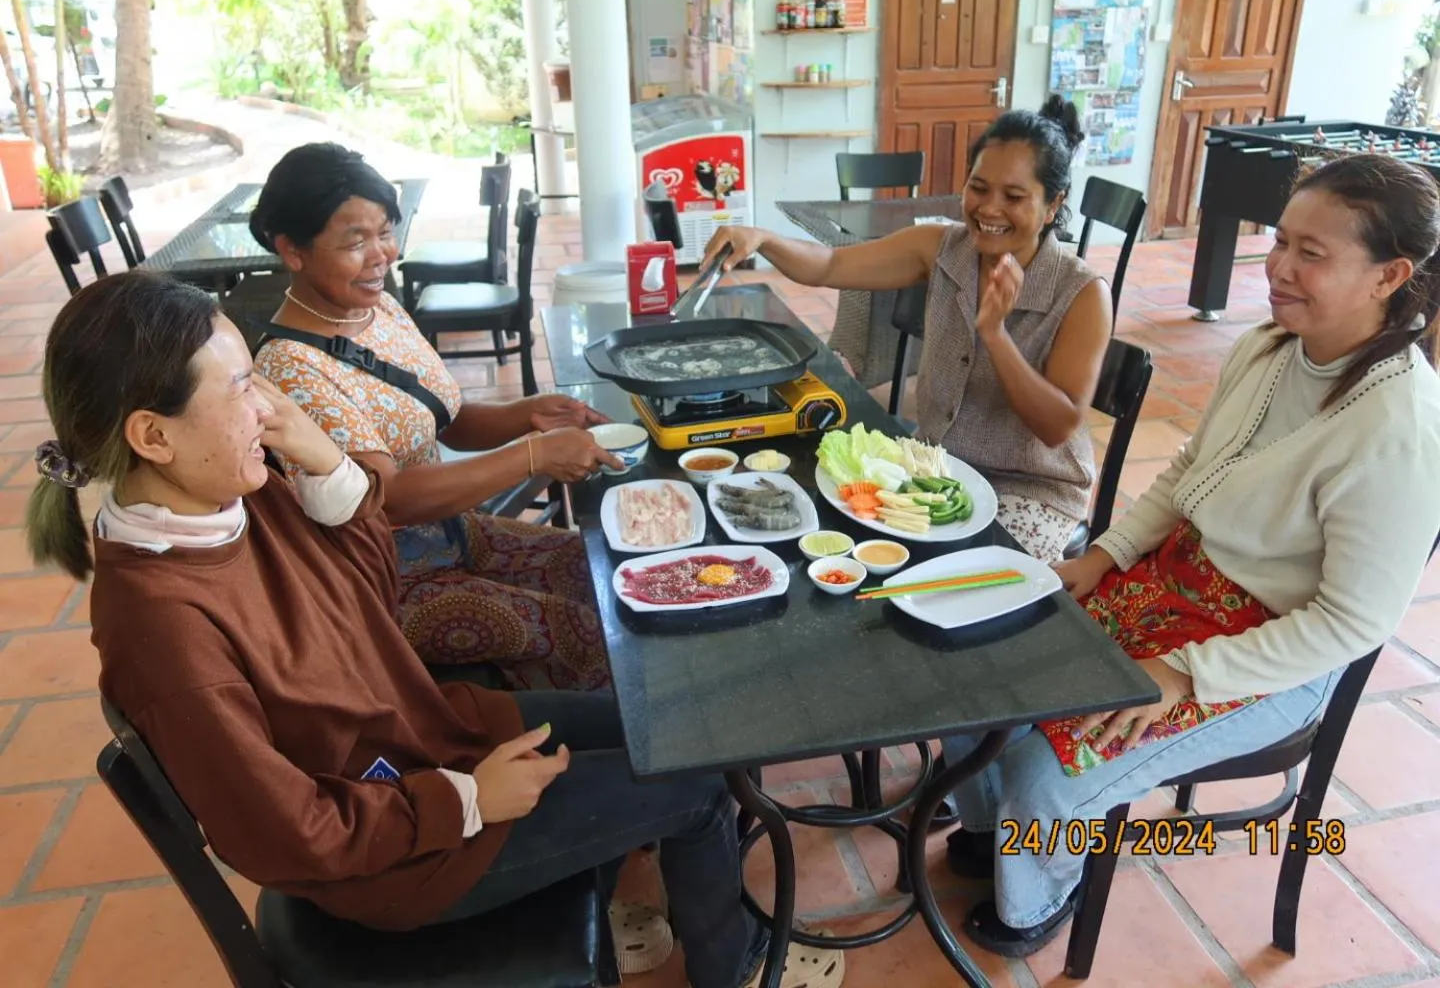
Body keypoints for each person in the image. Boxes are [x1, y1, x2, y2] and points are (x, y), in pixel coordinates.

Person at [24, 271, 845, 988]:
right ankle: (729, 966)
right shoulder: (162, 631)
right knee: (695, 784)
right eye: (240, 387)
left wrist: (326, 464)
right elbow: (285, 836)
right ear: (153, 435)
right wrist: (464, 801)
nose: (267, 405)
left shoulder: (228, 495)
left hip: (431, 738)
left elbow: (368, 592)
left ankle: (630, 892)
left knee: (675, 719)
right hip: (402, 855)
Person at [936, 152, 1440, 957]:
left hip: (1266, 654)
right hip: (1173, 580)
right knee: (983, 668)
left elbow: (1350, 624)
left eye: (1312, 254)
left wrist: (1185, 675)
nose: (1278, 267)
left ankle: (1034, 900)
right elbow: (1189, 471)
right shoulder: (1273, 346)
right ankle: (995, 830)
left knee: (1052, 768)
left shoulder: (1400, 429)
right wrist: (1104, 555)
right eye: (1280, 241)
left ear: (1390, 276)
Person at [248, 143, 619, 689]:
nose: (382, 254)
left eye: (385, 232)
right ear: (292, 250)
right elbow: (390, 497)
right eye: (356, 241)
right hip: (385, 583)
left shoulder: (375, 307)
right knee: (582, 629)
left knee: (601, 571)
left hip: (450, 532)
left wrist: (527, 415)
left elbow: (443, 418)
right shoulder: (290, 368)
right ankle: (582, 756)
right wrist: (533, 455)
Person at [704, 96, 1112, 562]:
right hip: (935, 468)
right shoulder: (941, 248)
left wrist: (995, 335)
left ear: (1051, 204)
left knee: (959, 590)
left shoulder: (1081, 293)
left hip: (1031, 492)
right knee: (842, 549)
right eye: (978, 188)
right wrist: (764, 239)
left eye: (1015, 197)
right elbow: (833, 263)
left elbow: (1058, 425)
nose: (989, 209)